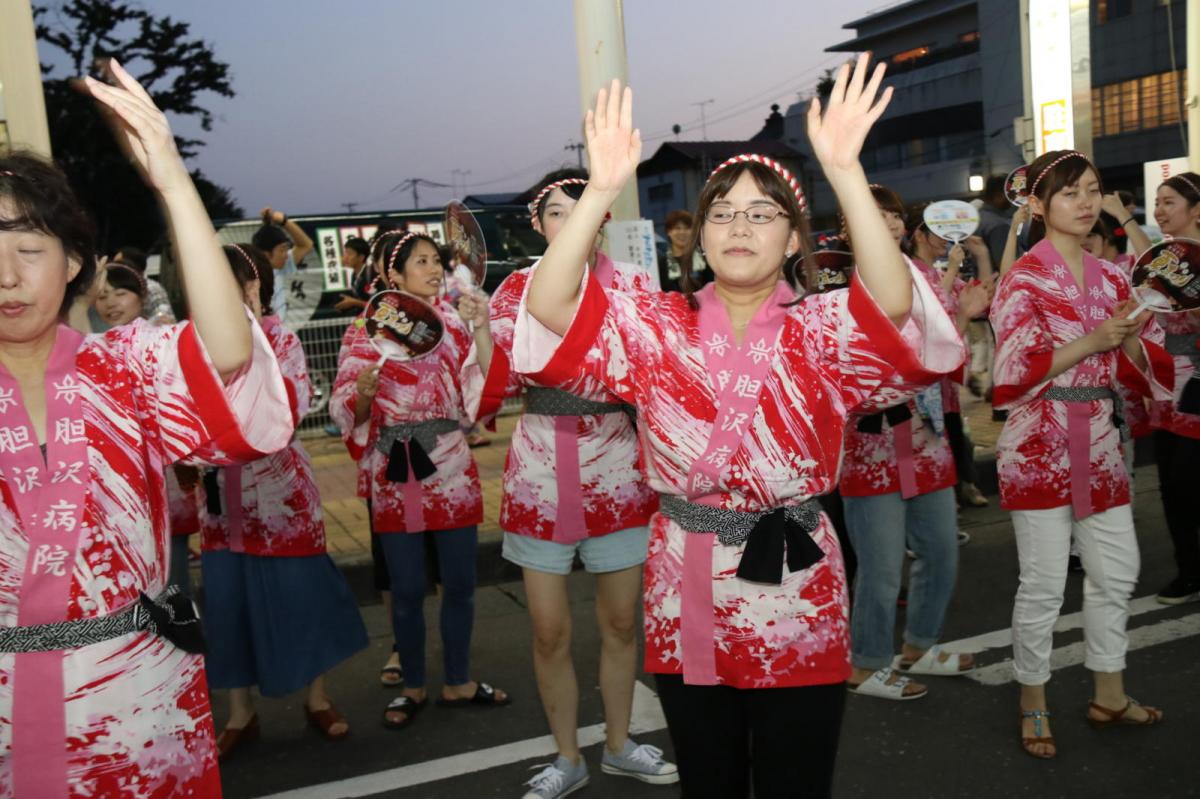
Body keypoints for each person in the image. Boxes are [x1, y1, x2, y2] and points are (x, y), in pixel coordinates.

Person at [515, 58, 963, 797]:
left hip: (798, 580)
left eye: (763, 212)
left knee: (796, 778)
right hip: (685, 580)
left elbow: (888, 299)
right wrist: (599, 188)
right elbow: (551, 303)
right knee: (711, 780)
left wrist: (845, 170)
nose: (740, 224)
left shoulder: (821, 326)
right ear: (699, 237)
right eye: (723, 211)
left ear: (794, 240)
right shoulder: (656, 324)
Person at [0, 60, 292, 796]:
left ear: (73, 264)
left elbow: (225, 355)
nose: (6, 275)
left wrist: (170, 180)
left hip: (141, 706)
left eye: (28, 251)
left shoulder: (123, 364)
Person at [472, 168, 674, 797]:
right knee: (547, 630)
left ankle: (618, 744)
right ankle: (568, 756)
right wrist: (480, 327)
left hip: (619, 473)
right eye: (556, 212)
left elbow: (658, 378)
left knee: (620, 624)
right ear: (538, 225)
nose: (568, 222)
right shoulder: (513, 290)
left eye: (579, 209)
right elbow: (498, 387)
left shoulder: (637, 287)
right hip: (539, 475)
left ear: (601, 220)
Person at [991, 149, 1174, 759]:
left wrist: (1132, 337)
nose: (1086, 201)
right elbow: (1012, 375)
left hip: (1098, 438)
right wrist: (1095, 339)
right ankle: (1032, 699)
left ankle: (1109, 692)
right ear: (1039, 206)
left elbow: (1143, 363)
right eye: (1070, 193)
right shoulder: (1021, 279)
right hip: (1038, 442)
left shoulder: (1115, 276)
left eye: (1093, 189)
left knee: (1116, 572)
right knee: (1043, 584)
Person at [331, 231, 511, 732]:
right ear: (393, 275)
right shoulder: (364, 330)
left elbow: (484, 388)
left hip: (450, 463)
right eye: (421, 262)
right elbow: (346, 407)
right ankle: (412, 685)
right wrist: (364, 395)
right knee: (406, 587)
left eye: (437, 260)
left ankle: (458, 680)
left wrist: (481, 331)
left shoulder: (452, 323)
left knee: (460, 582)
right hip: (393, 468)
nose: (434, 269)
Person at [200, 243, 369, 760]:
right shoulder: (191, 342)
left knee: (303, 596)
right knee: (228, 606)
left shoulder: (279, 338)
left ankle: (318, 699)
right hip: (222, 502)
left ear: (252, 287)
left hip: (280, 499)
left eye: (225, 282)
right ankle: (240, 713)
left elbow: (288, 408)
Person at [840, 187, 990, 701]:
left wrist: (967, 314)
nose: (888, 224)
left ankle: (920, 645)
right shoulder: (837, 284)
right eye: (874, 216)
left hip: (925, 437)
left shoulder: (925, 277)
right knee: (881, 569)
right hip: (869, 440)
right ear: (849, 227)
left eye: (893, 216)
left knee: (941, 551)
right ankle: (866, 663)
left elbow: (945, 352)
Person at [907, 206, 994, 510]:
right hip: (922, 382)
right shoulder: (910, 272)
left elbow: (981, 300)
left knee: (955, 433)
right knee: (934, 439)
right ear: (919, 234)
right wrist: (955, 268)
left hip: (946, 379)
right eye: (936, 230)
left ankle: (961, 490)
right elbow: (931, 312)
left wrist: (981, 257)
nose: (944, 238)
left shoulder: (940, 272)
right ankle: (943, 501)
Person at [1148, 172, 1200, 604]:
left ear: (1196, 210)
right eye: (1157, 202)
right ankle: (1188, 570)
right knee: (1170, 485)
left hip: (1196, 389)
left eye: (1168, 202)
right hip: (1165, 388)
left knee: (1188, 482)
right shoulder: (1154, 260)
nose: (1159, 210)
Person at [251, 206, 314, 323]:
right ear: (266, 254)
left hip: (278, 336)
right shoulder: (250, 277)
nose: (286, 255)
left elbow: (306, 245)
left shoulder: (279, 269)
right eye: (282, 250)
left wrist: (284, 221)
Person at [659, 209, 709, 291]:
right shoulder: (662, 264)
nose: (682, 232)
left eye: (687, 228)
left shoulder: (705, 258)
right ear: (668, 232)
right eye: (677, 228)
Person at [334, 235, 372, 314]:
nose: (345, 257)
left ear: (361, 257)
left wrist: (354, 302)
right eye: (345, 253)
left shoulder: (371, 275)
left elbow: (380, 305)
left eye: (349, 253)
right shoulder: (354, 275)